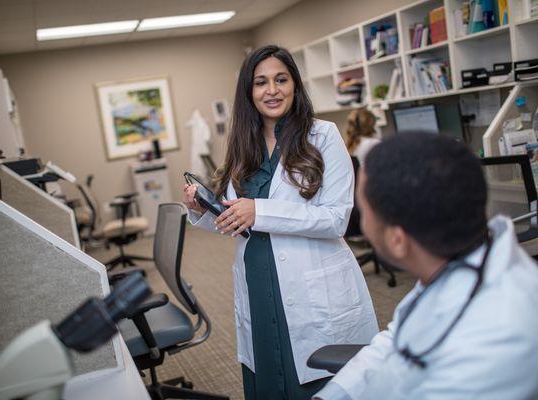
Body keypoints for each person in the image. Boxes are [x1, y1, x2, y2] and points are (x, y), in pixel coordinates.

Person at [182, 44, 378, 399]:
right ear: (249, 92)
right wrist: (201, 208)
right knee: (269, 374)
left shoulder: (323, 136)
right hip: (258, 281)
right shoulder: (245, 144)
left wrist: (261, 211)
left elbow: (336, 219)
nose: (271, 90)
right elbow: (234, 216)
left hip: (311, 282)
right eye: (260, 82)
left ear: (295, 85)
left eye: (280, 79)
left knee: (314, 377)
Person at [314, 133, 538, 400]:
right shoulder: (453, 262)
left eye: (363, 211)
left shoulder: (495, 345)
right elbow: (398, 338)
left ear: (397, 240)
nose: (361, 224)